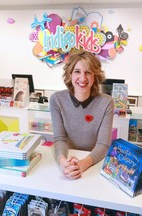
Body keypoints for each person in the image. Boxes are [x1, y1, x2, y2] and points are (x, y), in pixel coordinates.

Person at [50, 50, 114, 180]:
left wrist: (82, 165)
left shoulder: (107, 102)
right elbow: (59, 138)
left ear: (95, 76)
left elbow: (103, 144)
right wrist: (63, 162)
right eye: (77, 71)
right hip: (68, 158)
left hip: (93, 162)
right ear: (70, 74)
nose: (83, 78)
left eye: (88, 72)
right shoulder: (56, 99)